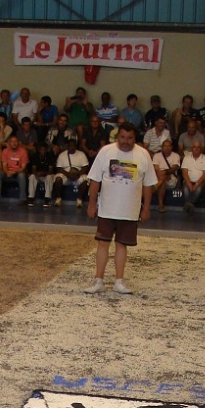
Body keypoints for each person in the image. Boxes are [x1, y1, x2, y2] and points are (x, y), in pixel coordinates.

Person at [83, 121, 156, 296]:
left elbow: (148, 185)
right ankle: (98, 280)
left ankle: (119, 281)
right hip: (107, 209)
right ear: (118, 137)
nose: (125, 141)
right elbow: (95, 180)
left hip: (129, 211)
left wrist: (146, 208)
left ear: (134, 138)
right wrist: (92, 204)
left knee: (122, 245)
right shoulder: (105, 151)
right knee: (103, 243)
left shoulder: (143, 154)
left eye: (129, 138)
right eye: (122, 137)